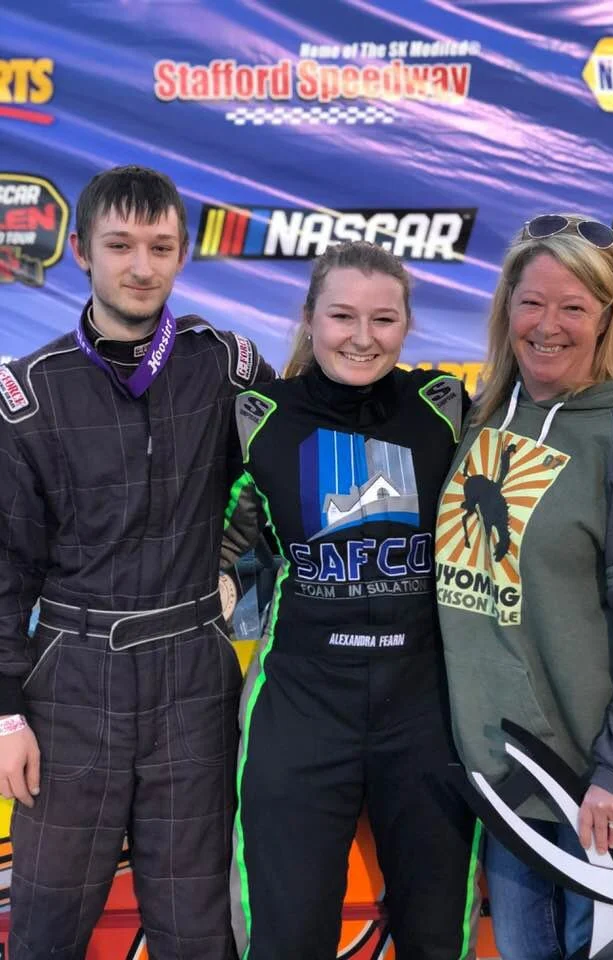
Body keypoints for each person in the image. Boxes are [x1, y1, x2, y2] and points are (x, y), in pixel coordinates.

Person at [0, 165, 274, 959]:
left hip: (194, 677)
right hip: (72, 686)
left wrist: (227, 557)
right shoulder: (31, 393)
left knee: (198, 935)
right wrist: (8, 714)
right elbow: (5, 570)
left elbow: (283, 468)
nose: (141, 266)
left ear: (183, 252)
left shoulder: (224, 364)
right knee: (47, 927)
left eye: (159, 246)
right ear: (82, 250)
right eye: (120, 245)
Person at [435, 214, 613, 959]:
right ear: (506, 311)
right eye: (531, 303)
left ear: (606, 317)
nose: (548, 325)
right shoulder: (487, 416)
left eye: (574, 307)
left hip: (598, 793)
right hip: (511, 781)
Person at [222, 240, 482, 960]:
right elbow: (207, 549)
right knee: (286, 939)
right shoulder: (258, 417)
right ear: (308, 318)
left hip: (427, 715)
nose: (362, 337)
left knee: (436, 940)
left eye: (384, 319)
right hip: (299, 711)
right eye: (341, 316)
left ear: (406, 325)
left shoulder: (446, 408)